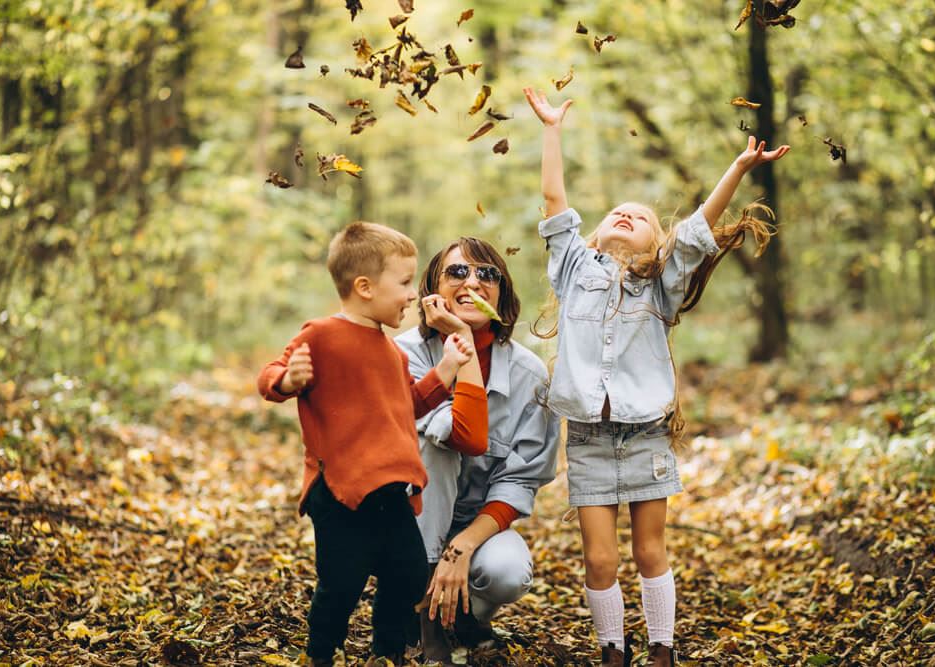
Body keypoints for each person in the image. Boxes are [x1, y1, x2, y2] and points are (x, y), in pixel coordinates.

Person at [524, 87, 790, 667]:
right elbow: (551, 197)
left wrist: (740, 167)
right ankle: (612, 651)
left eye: (642, 217)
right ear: (593, 235)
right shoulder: (573, 267)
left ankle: (662, 649)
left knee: (650, 550)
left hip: (645, 433)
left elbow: (699, 226)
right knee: (599, 560)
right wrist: (551, 128)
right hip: (590, 438)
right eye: (618, 212)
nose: (628, 214)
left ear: (657, 243)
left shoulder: (663, 285)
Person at [256, 221, 476, 666]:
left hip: (392, 489)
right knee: (341, 582)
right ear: (364, 287)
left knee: (410, 573)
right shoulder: (320, 335)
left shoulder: (392, 351)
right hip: (339, 490)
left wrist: (448, 369)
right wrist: (288, 379)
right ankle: (321, 653)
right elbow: (268, 376)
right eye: (405, 282)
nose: (413, 294)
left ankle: (386, 651)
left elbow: (407, 405)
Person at [394, 237, 560, 662]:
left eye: (487, 274)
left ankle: (467, 615)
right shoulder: (403, 355)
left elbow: (521, 480)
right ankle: (425, 619)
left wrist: (464, 545)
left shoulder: (530, 374)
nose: (473, 281)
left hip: (476, 522)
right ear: (433, 289)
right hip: (407, 522)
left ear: (501, 297)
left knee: (508, 574)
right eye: (457, 272)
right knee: (438, 447)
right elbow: (462, 437)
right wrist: (462, 338)